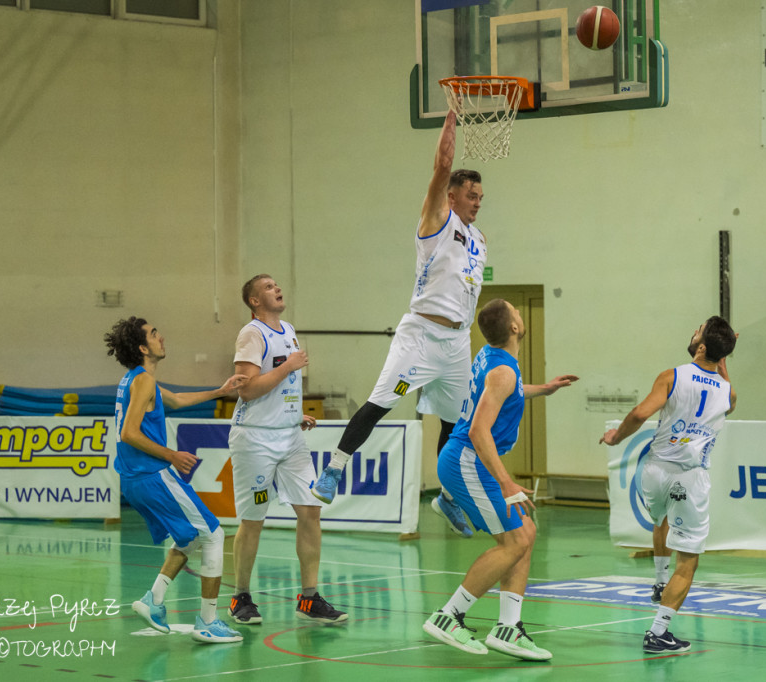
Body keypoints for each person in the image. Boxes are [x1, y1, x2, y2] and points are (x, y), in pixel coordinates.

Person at [311, 110, 487, 538]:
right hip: (421, 337)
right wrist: (451, 123)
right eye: (472, 195)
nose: (478, 201)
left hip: (457, 343)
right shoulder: (435, 221)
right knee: (382, 401)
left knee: (458, 420)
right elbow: (442, 166)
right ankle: (333, 469)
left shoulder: (480, 240)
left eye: (482, 196)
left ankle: (447, 495)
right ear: (451, 197)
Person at [422, 299, 578, 661]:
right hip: (467, 462)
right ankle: (449, 616)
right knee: (512, 542)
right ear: (513, 327)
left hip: (467, 461)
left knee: (525, 532)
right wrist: (507, 482)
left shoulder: (494, 359)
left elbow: (505, 392)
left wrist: (544, 388)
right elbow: (479, 430)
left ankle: (508, 626)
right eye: (517, 313)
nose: (521, 316)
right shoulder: (503, 370)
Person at [600, 316, 737, 654]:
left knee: (661, 519)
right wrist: (723, 358)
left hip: (654, 472)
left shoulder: (671, 376)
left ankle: (660, 582)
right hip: (689, 478)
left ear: (701, 346)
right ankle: (658, 632)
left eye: (698, 330)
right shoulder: (727, 392)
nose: (694, 330)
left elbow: (639, 414)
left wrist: (617, 437)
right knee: (688, 561)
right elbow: (730, 400)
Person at [105, 317, 244, 644]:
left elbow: (178, 401)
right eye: (154, 334)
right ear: (143, 348)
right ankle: (208, 622)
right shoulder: (143, 382)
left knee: (188, 538)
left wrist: (221, 392)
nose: (161, 336)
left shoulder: (134, 379)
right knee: (213, 534)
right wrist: (171, 455)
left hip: (135, 478)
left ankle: (153, 601)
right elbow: (129, 433)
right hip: (152, 475)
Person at [226, 274, 348, 626]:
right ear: (254, 300)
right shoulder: (252, 333)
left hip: (289, 438)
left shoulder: (289, 329)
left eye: (277, 285)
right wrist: (289, 367)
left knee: (311, 510)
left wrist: (294, 414)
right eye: (267, 287)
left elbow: (279, 389)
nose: (276, 288)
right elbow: (246, 390)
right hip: (256, 441)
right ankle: (241, 597)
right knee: (254, 519)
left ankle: (309, 599)